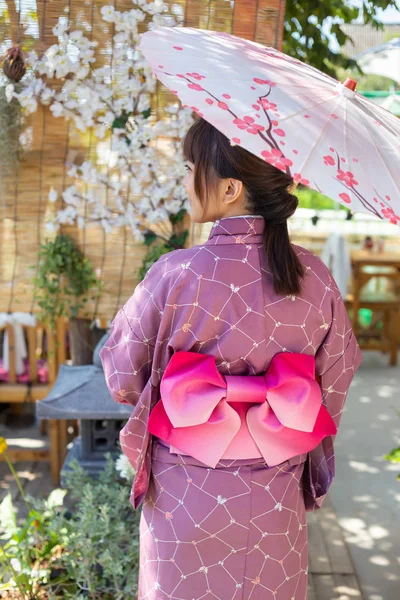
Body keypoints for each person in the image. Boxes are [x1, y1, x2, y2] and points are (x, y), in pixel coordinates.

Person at [100, 118, 361, 600]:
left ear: (230, 188)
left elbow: (121, 373)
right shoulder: (316, 277)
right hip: (273, 497)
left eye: (190, 168)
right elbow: (336, 376)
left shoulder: (175, 273)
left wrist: (181, 402)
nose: (185, 180)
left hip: (186, 490)